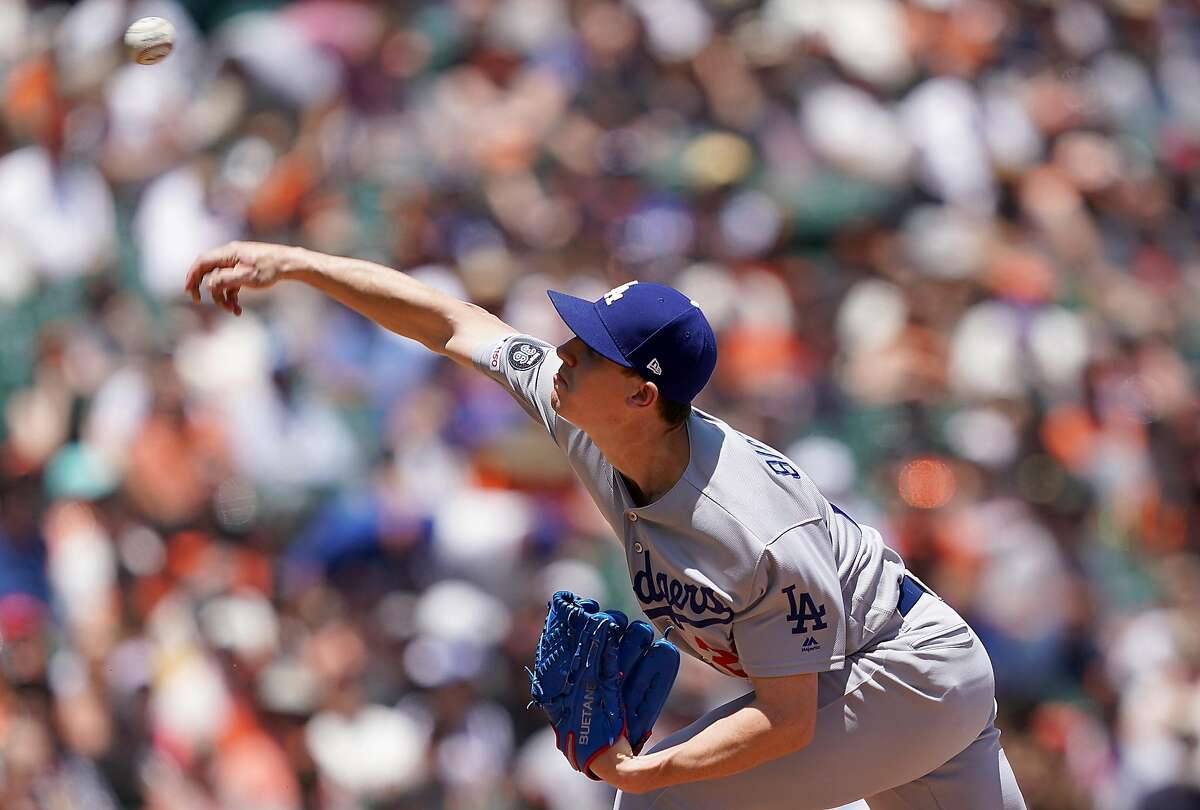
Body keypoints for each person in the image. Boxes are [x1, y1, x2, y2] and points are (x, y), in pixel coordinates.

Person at [185, 242, 1028, 810]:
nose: (564, 355)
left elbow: (788, 720)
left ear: (640, 395)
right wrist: (298, 264)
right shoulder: (583, 416)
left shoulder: (751, 526)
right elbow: (452, 323)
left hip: (900, 672)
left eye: (588, 350)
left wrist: (648, 768)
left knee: (661, 803)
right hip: (875, 673)